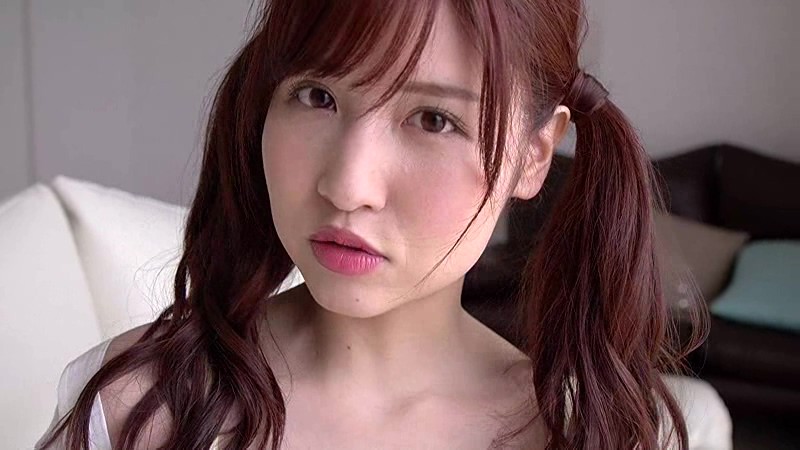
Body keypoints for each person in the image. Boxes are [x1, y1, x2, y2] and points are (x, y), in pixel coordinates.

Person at [36, 0, 733, 449]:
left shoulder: (586, 436)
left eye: (434, 119)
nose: (348, 184)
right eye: (316, 96)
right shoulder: (135, 407)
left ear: (534, 155)